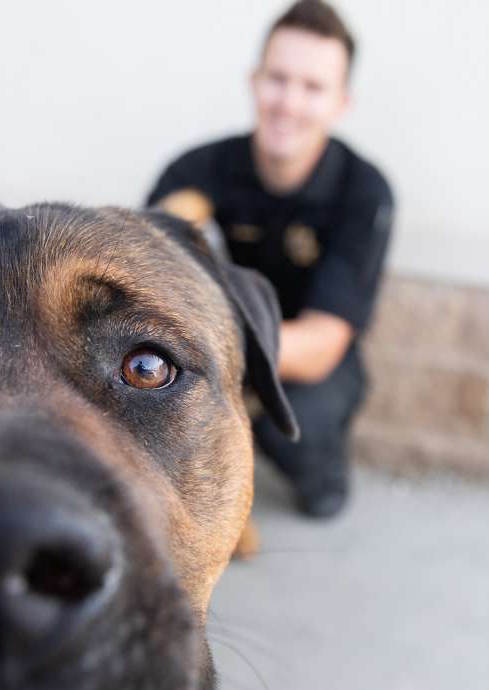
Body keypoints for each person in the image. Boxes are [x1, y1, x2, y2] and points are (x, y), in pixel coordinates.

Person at [146, 0, 393, 518]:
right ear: (254, 81)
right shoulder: (195, 169)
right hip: (214, 340)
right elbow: (147, 293)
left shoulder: (364, 192)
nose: (289, 102)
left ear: (341, 103)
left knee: (301, 441)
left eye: (313, 87)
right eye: (278, 79)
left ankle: (318, 464)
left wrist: (215, 358)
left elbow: (324, 344)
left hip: (304, 356)